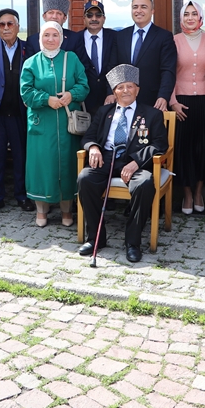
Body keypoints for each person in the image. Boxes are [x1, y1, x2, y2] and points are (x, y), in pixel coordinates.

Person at [77, 64, 168, 263]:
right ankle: (96, 238)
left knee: (145, 184)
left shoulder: (152, 114)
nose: (125, 90)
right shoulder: (104, 112)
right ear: (114, 92)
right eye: (120, 87)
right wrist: (93, 147)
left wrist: (137, 161)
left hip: (135, 162)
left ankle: (132, 242)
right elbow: (88, 137)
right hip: (106, 159)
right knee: (85, 178)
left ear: (137, 90)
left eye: (130, 86)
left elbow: (160, 144)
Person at [20, 21, 89, 227]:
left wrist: (71, 94)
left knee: (67, 165)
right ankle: (41, 210)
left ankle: (67, 210)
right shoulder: (31, 63)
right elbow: (26, 92)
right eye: (46, 35)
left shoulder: (71, 58)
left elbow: (84, 85)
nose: (50, 39)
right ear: (40, 38)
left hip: (67, 125)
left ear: (61, 37)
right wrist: (46, 99)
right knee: (42, 166)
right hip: (41, 123)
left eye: (55, 35)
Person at [0, 8, 33, 212]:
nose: (6, 28)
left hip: (19, 113)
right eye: (2, 24)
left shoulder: (28, 48)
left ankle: (22, 196)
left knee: (21, 157)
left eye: (10, 24)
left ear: (18, 27)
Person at [170, 1, 205, 215]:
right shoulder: (174, 41)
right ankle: (187, 195)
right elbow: (168, 72)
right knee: (184, 150)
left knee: (203, 148)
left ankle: (199, 193)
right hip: (181, 102)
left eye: (194, 13)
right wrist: (172, 101)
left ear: (200, 17)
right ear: (181, 18)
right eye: (186, 14)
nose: (190, 17)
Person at [115, 0, 176, 111]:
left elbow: (168, 70)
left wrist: (163, 96)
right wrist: (111, 92)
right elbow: (114, 67)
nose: (138, 10)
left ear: (152, 11)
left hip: (153, 101)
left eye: (143, 7)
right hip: (124, 100)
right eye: (135, 7)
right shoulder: (121, 36)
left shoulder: (164, 37)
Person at [71, 0, 119, 115]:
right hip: (83, 101)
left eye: (98, 15)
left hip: (110, 98)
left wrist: (112, 91)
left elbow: (117, 66)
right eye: (89, 15)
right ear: (84, 18)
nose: (94, 19)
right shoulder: (75, 39)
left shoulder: (115, 37)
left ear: (104, 18)